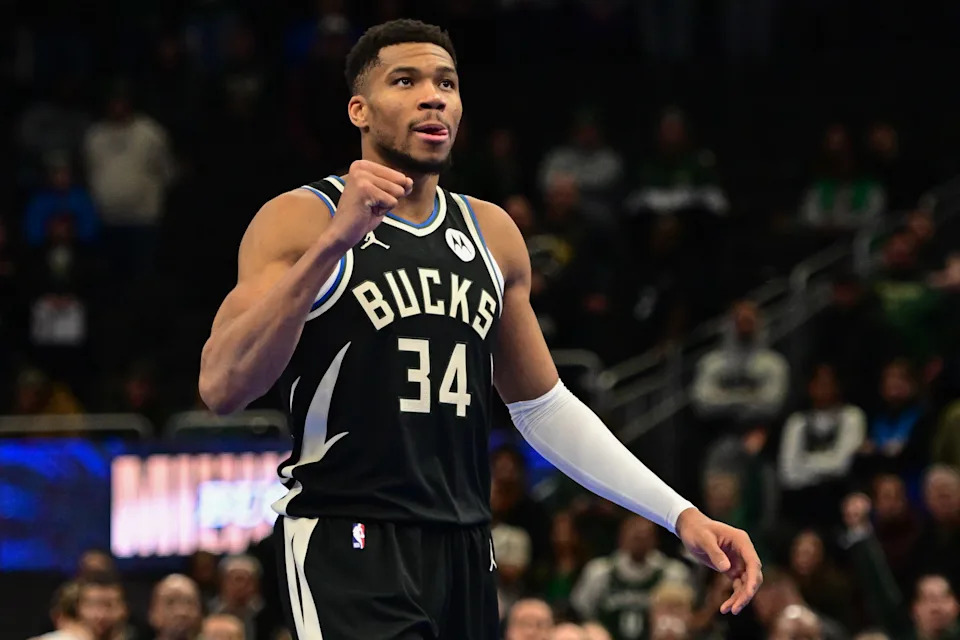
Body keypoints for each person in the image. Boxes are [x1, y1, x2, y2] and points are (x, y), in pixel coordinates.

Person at [198, 19, 762, 640]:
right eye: (405, 81)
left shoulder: (490, 232)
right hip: (348, 534)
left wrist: (680, 514)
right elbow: (223, 385)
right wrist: (334, 244)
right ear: (359, 110)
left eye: (446, 83)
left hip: (466, 543)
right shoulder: (302, 218)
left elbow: (544, 408)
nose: (432, 97)